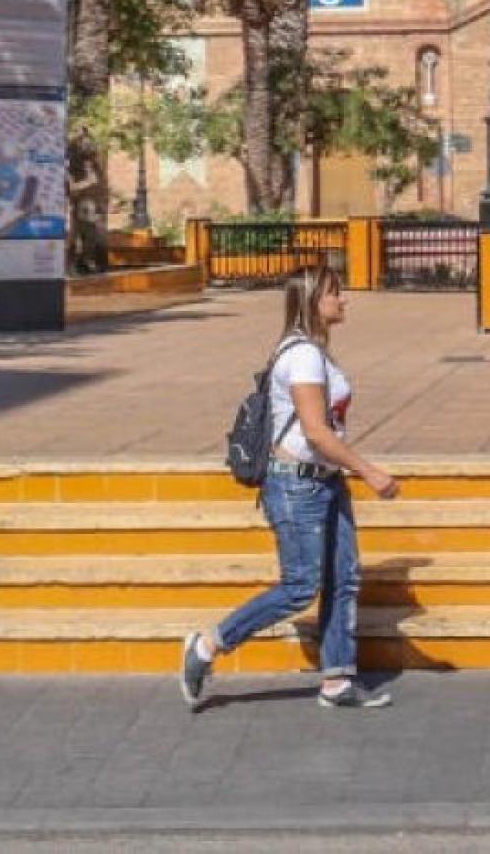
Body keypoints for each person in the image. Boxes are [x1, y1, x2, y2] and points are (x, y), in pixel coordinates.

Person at [180, 265, 401, 712]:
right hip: (297, 486)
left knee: (344, 578)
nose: (344, 299)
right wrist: (369, 472)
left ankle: (337, 680)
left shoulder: (316, 351)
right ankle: (207, 645)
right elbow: (317, 433)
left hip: (324, 481)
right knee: (301, 586)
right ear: (313, 300)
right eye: (335, 292)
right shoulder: (302, 356)